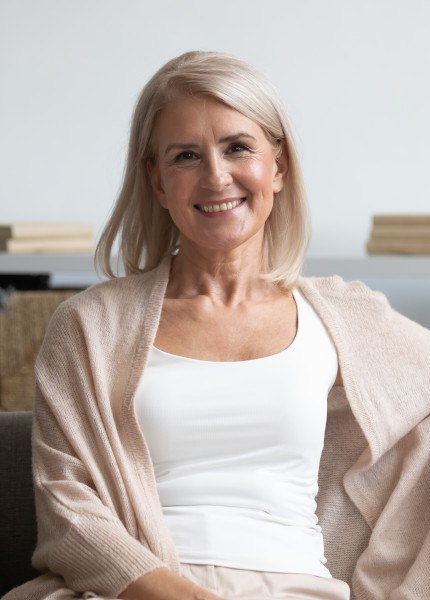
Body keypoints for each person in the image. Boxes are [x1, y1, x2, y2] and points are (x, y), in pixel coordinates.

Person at [4, 51, 430, 600]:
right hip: (133, 593)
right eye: (185, 156)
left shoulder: (344, 316)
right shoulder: (90, 325)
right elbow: (67, 507)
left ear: (279, 167)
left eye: (237, 147)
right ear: (157, 182)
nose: (215, 176)